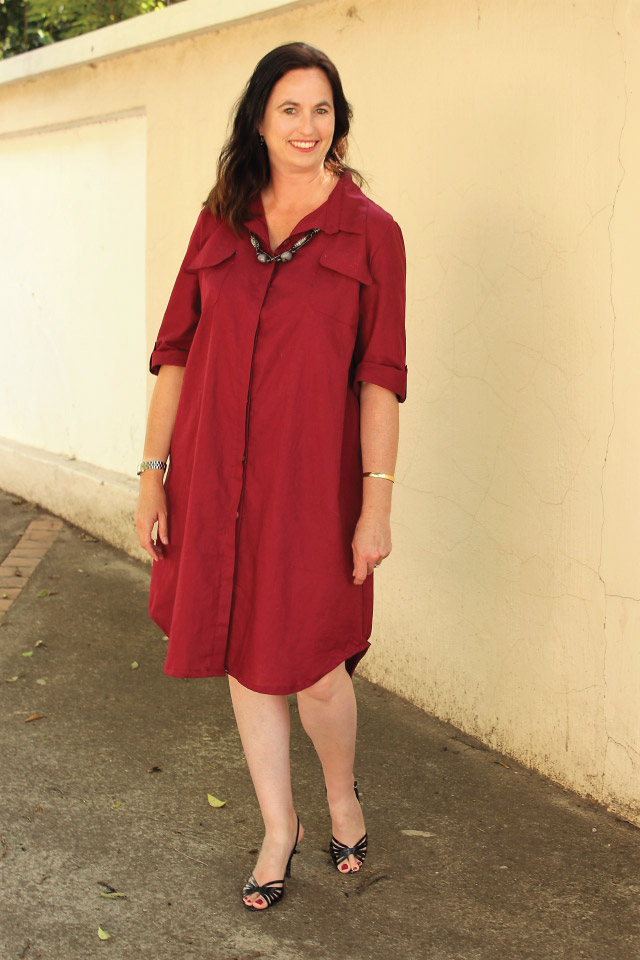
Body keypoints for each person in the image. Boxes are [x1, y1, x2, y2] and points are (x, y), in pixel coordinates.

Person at [134, 41, 408, 911]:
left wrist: (375, 507)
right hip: (215, 483)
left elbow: (381, 379)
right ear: (260, 117)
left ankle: (342, 796)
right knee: (247, 664)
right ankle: (278, 827)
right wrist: (152, 475)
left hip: (311, 494)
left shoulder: (374, 234)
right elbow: (174, 355)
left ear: (339, 121)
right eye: (289, 108)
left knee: (318, 665)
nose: (306, 125)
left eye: (322, 108)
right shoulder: (219, 220)